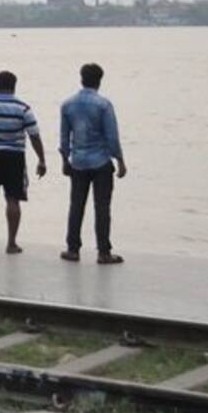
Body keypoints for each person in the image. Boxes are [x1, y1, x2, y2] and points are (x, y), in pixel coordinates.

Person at [0, 70, 47, 254]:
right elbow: (34, 135)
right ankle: (11, 243)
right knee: (13, 199)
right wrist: (41, 159)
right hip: (15, 157)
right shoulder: (23, 108)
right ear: (14, 86)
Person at [59, 61, 126, 264]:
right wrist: (121, 161)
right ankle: (103, 252)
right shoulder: (104, 105)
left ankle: (72, 249)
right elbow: (112, 137)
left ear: (81, 79)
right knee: (102, 207)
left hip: (78, 162)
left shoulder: (67, 104)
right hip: (101, 163)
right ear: (99, 81)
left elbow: (64, 137)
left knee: (76, 205)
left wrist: (65, 159)